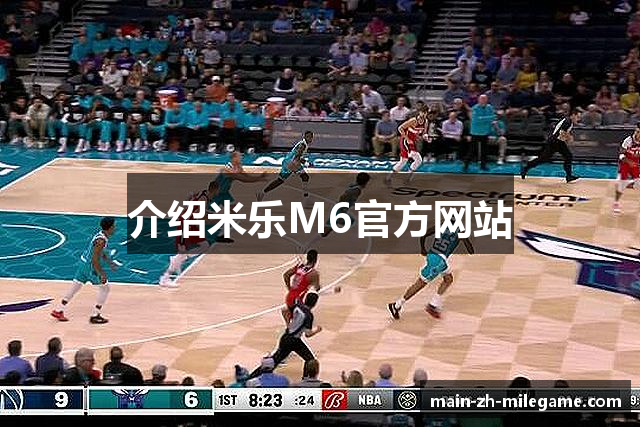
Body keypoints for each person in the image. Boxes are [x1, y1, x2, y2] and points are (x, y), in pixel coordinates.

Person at [388, 226, 474, 320]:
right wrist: (465, 239)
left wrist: (423, 249)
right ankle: (397, 305)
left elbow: (423, 235)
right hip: (438, 261)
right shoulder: (460, 231)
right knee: (420, 283)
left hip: (433, 255)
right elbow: (471, 251)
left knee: (448, 279)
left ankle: (433, 304)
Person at [51, 217, 116, 324]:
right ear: (109, 228)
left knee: (75, 286)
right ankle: (95, 315)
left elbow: (101, 252)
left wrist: (110, 262)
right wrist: (101, 273)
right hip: (90, 267)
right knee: (105, 288)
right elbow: (95, 260)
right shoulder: (101, 241)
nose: (115, 228)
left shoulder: (100, 235)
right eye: (114, 226)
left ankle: (59, 310)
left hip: (83, 264)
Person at [159, 181, 220, 287]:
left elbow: (190, 198)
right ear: (215, 190)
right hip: (185, 223)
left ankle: (180, 258)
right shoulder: (204, 199)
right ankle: (165, 278)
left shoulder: (201, 193)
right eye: (218, 190)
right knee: (182, 251)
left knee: (204, 245)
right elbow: (201, 216)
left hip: (190, 222)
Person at [248, 292, 322, 379]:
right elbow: (308, 334)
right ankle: (306, 379)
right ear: (315, 303)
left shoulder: (298, 306)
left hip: (287, 337)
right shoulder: (309, 315)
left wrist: (288, 323)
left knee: (274, 361)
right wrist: (317, 330)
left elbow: (284, 310)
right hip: (293, 341)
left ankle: (250, 377)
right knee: (310, 360)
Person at [303, 172, 370, 249]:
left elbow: (347, 197)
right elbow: (343, 197)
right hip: (339, 211)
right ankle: (306, 246)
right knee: (327, 231)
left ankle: (306, 245)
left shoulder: (355, 186)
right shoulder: (357, 190)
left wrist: (350, 204)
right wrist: (343, 207)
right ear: (365, 182)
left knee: (327, 231)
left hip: (339, 210)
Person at [521, 109, 581, 183]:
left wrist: (567, 138)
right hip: (555, 141)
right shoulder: (568, 121)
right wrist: (569, 138)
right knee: (545, 158)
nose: (579, 119)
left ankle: (569, 176)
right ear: (573, 115)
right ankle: (526, 167)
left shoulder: (567, 120)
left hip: (557, 141)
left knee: (567, 156)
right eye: (578, 117)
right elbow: (562, 132)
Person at [257, 131, 313, 205]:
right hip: (292, 163)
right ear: (304, 137)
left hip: (288, 161)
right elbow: (297, 157)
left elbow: (298, 156)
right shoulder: (303, 145)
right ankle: (306, 200)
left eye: (311, 137)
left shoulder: (302, 144)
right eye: (308, 137)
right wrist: (307, 163)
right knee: (305, 177)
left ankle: (262, 193)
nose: (310, 138)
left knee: (280, 180)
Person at [385, 108, 428, 185]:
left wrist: (426, 137)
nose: (424, 114)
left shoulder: (426, 121)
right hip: (406, 141)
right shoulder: (413, 120)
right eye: (423, 112)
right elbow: (400, 128)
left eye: (425, 113)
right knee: (417, 159)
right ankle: (407, 177)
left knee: (404, 161)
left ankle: (390, 177)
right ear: (420, 112)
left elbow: (424, 133)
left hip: (412, 142)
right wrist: (407, 139)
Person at [281, 249, 320, 323]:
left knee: (292, 317)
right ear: (316, 260)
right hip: (298, 299)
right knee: (300, 322)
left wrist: (289, 288)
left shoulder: (300, 266)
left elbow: (286, 275)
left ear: (307, 258)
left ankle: (289, 325)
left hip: (290, 296)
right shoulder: (314, 273)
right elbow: (317, 289)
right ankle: (290, 326)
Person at [613, 124, 640, 214]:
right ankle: (616, 203)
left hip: (635, 164)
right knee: (621, 185)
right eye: (636, 131)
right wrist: (629, 162)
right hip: (625, 164)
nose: (637, 134)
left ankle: (629, 183)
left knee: (637, 185)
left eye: (639, 132)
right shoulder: (628, 140)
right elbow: (621, 155)